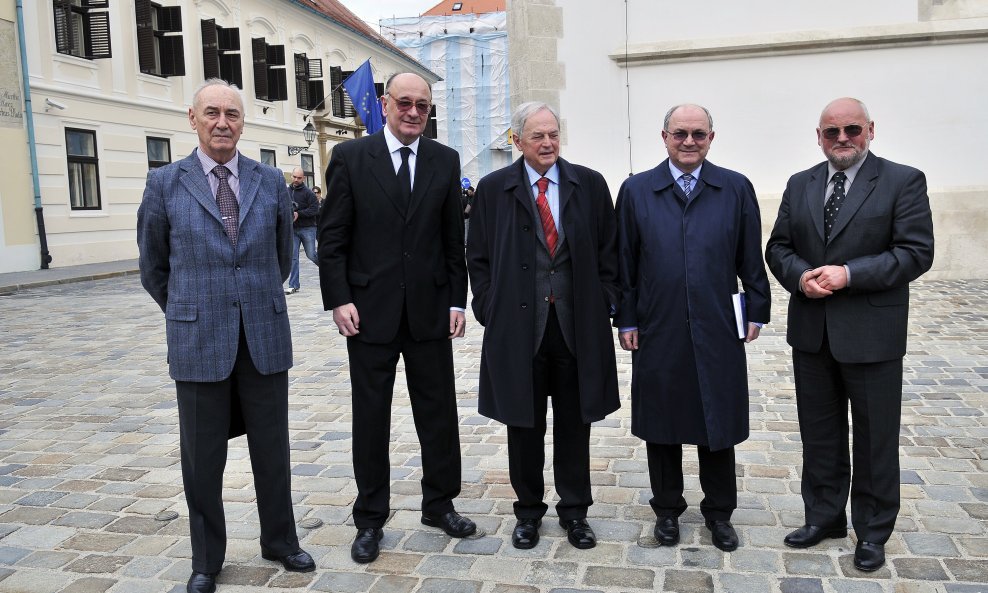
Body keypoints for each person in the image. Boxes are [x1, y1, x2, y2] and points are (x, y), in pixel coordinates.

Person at [137, 79, 314, 593]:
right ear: (192, 118)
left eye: (231, 114)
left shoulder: (269, 180)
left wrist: (249, 298)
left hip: (263, 335)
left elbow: (282, 256)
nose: (222, 122)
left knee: (272, 449)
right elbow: (153, 266)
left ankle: (280, 540)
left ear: (242, 122)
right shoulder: (165, 183)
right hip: (198, 339)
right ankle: (206, 560)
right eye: (211, 112)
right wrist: (189, 310)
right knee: (202, 458)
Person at [765, 97, 934, 571]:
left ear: (870, 130)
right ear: (818, 136)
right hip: (812, 332)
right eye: (832, 131)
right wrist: (800, 276)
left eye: (852, 129)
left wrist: (849, 274)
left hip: (872, 334)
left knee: (875, 438)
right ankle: (824, 517)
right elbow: (778, 246)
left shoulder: (903, 180)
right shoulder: (800, 183)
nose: (842, 138)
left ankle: (873, 531)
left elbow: (915, 252)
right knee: (819, 434)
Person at [318, 72, 474, 564]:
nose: (413, 112)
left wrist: (457, 301)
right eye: (404, 102)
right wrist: (339, 298)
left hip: (429, 310)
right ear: (385, 104)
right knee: (371, 419)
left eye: (422, 105)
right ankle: (370, 517)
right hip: (369, 313)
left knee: (438, 414)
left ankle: (440, 503)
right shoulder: (350, 158)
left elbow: (452, 240)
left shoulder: (444, 160)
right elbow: (333, 238)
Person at [615, 104, 770, 553]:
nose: (689, 142)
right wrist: (626, 317)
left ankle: (719, 513)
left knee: (716, 417)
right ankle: (667, 510)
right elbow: (623, 261)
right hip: (657, 323)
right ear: (664, 136)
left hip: (717, 321)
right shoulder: (637, 190)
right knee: (661, 419)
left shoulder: (734, 187)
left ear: (711, 138)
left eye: (698, 134)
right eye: (680, 133)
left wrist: (756, 309)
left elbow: (749, 255)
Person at [467, 102, 620, 551]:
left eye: (553, 133)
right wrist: (488, 305)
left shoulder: (589, 184)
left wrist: (606, 300)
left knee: (575, 425)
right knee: (524, 425)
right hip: (519, 328)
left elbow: (610, 251)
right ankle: (528, 512)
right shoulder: (493, 189)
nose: (548, 143)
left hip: (575, 326)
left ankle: (575, 511)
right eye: (538, 136)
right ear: (518, 141)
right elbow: (478, 255)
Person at [285, 168, 320, 295]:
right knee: (293, 257)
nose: (296, 179)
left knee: (311, 255)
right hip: (293, 229)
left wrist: (299, 214)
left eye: (299, 178)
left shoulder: (309, 193)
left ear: (303, 178)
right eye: (294, 177)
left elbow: (315, 209)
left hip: (308, 228)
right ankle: (293, 285)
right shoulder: (286, 191)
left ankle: (330, 270)